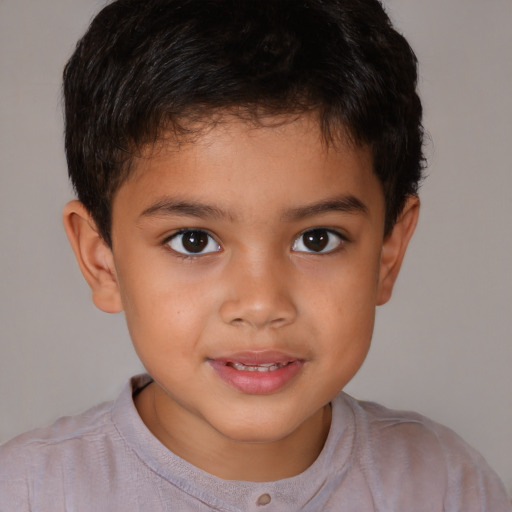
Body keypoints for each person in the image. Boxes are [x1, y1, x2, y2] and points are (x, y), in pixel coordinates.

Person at [0, 0, 510, 510]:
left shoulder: (446, 485)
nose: (262, 303)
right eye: (193, 240)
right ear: (101, 261)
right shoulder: (28, 492)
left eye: (318, 239)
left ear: (387, 253)